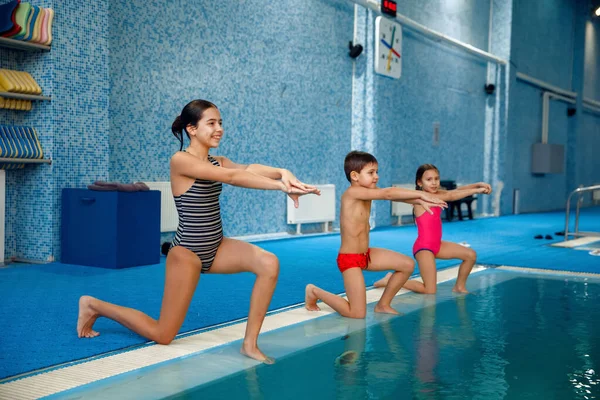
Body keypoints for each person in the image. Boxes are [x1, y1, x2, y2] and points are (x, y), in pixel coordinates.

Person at [77, 99, 320, 364]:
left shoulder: (218, 160)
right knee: (164, 334)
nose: (219, 129)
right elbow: (232, 178)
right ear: (192, 129)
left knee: (269, 263)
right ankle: (94, 305)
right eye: (211, 123)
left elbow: (247, 169)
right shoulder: (181, 160)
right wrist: (282, 188)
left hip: (217, 247)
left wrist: (282, 172)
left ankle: (249, 344)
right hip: (188, 253)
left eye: (221, 123)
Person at [304, 151, 446, 318]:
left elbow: (393, 196)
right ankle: (314, 291)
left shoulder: (367, 191)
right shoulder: (352, 193)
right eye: (371, 173)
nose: (376, 176)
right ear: (355, 176)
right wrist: (421, 193)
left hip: (366, 255)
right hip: (350, 259)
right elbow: (387, 193)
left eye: (377, 172)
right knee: (356, 313)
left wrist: (420, 200)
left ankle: (383, 304)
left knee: (407, 265)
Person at [374, 164, 492, 294]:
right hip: (424, 248)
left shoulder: (438, 194)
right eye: (429, 179)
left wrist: (477, 185)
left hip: (438, 245)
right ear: (420, 182)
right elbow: (451, 196)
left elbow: (452, 192)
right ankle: (390, 279)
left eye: (436, 179)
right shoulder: (419, 197)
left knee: (470, 255)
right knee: (429, 290)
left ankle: (459, 286)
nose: (434, 183)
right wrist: (477, 190)